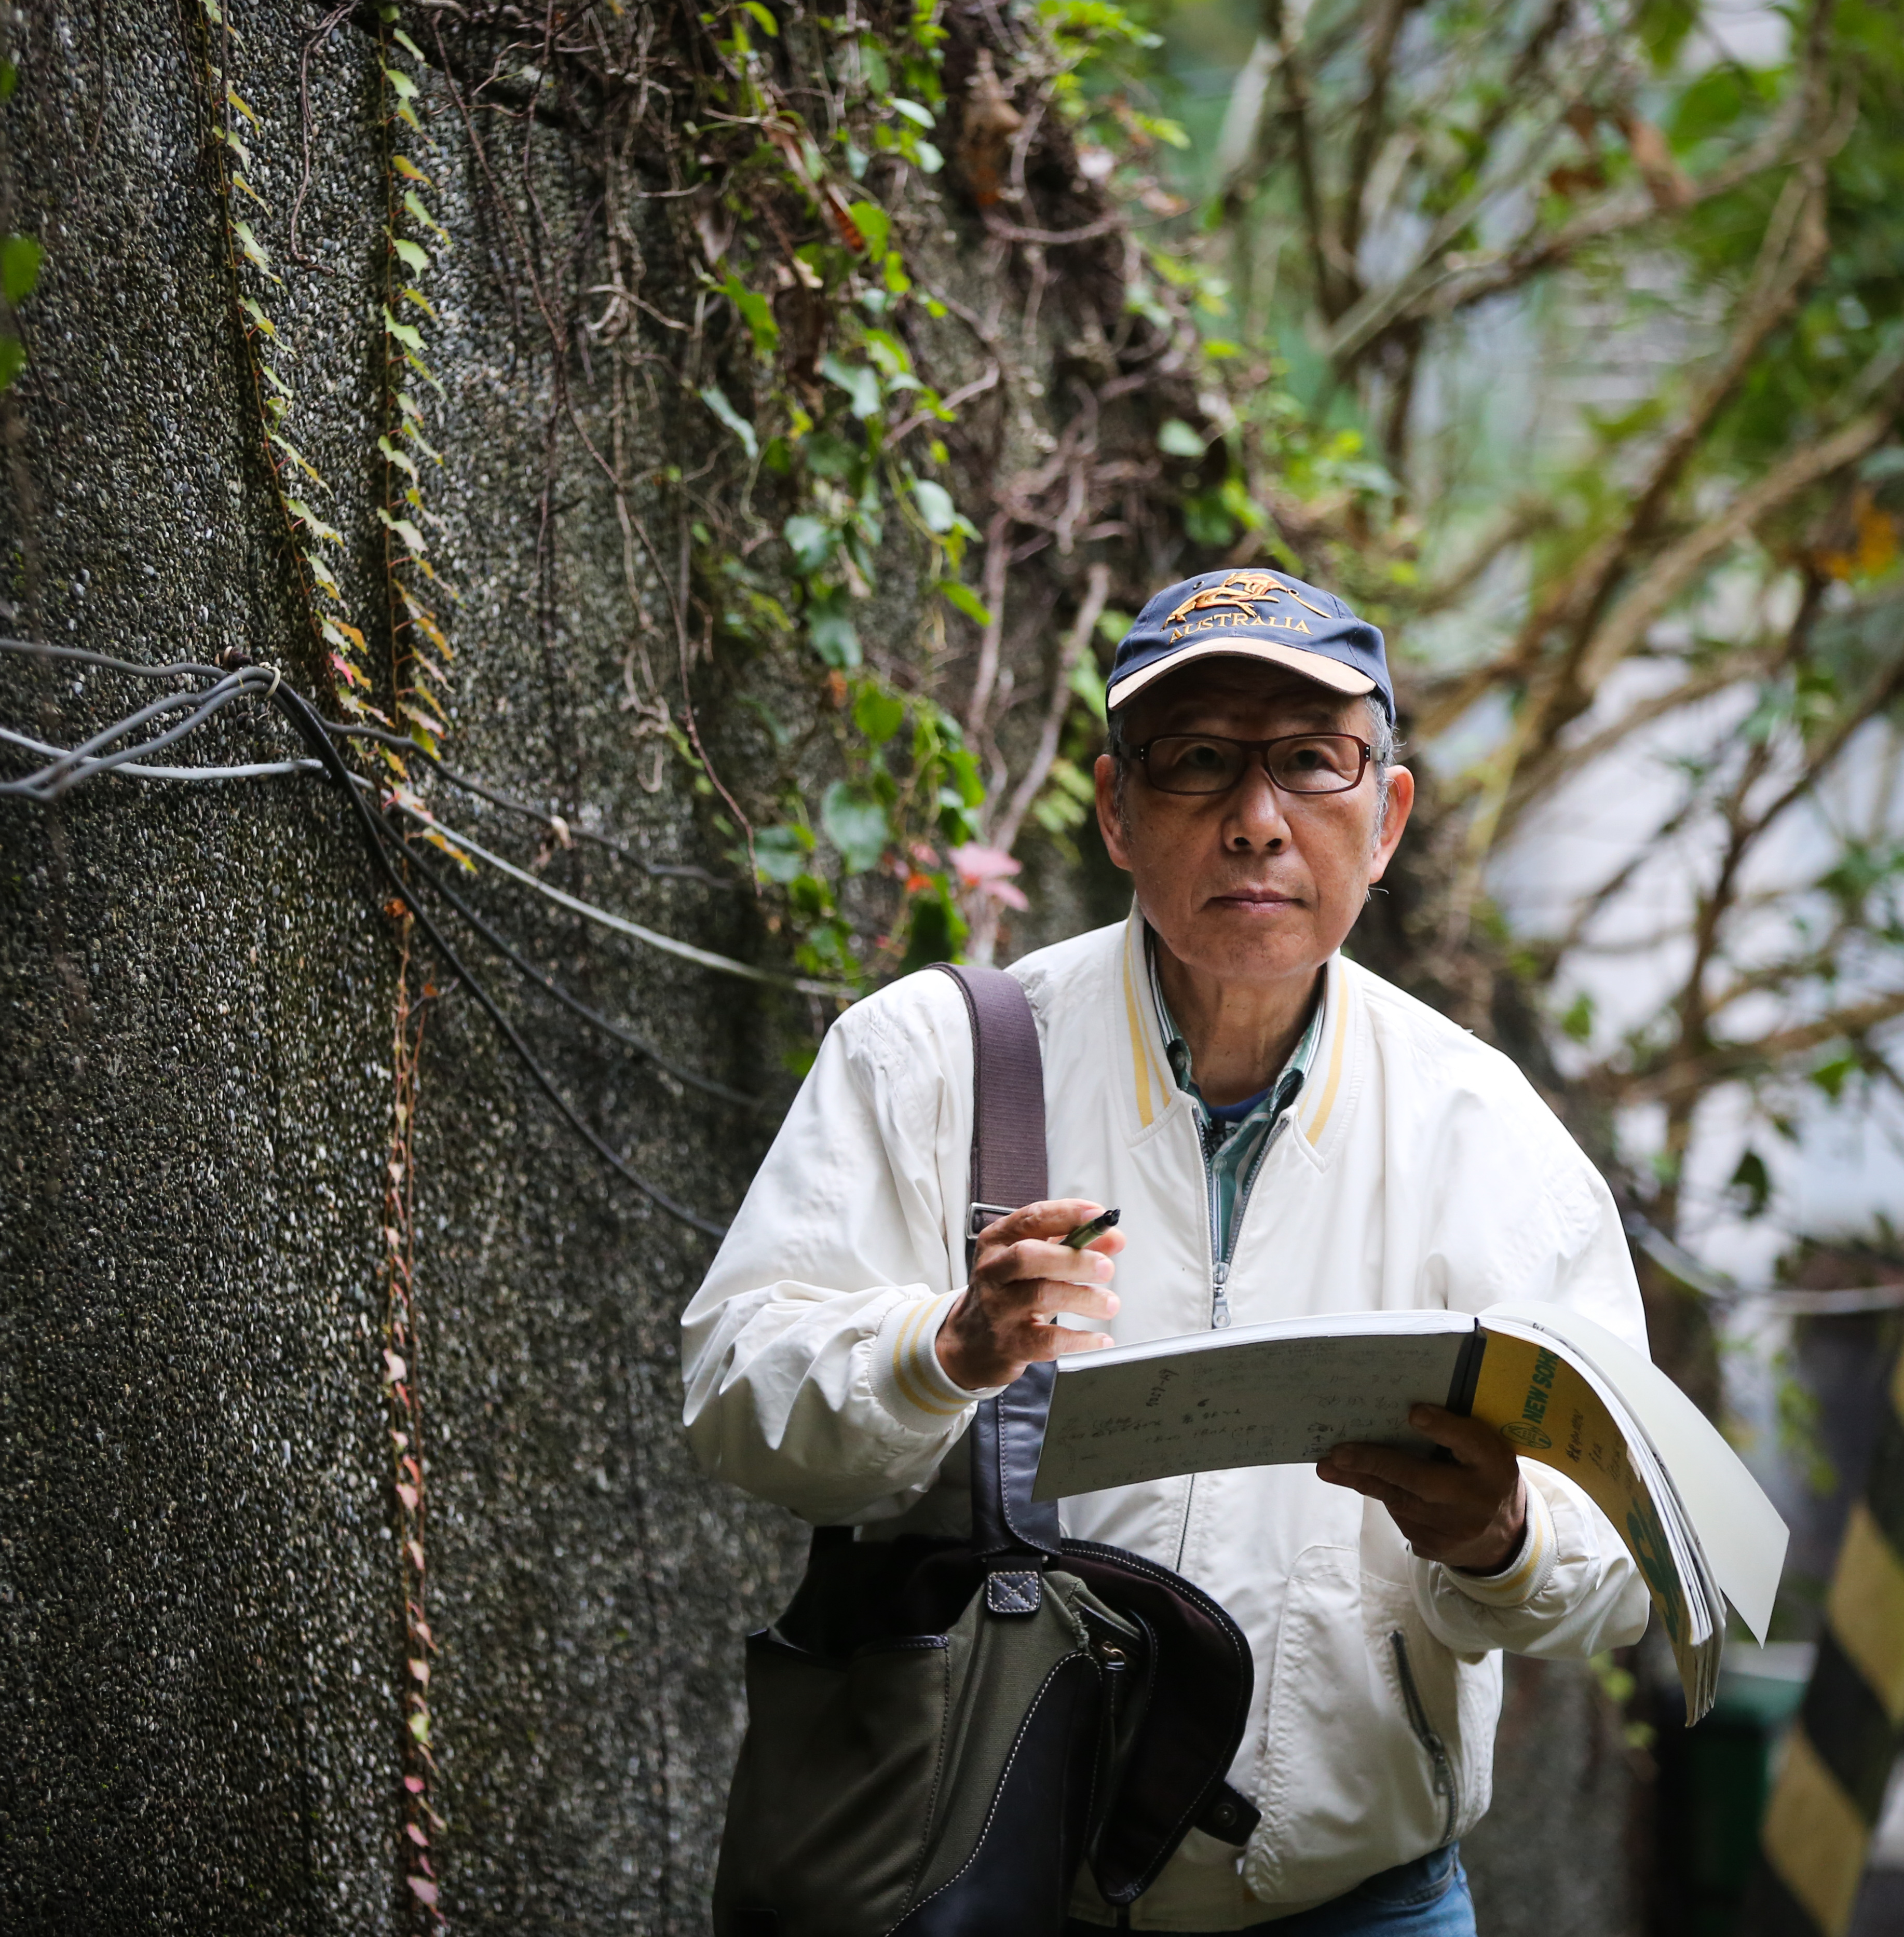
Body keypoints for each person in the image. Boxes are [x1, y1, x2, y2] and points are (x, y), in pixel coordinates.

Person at [681, 568, 1653, 1934]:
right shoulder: (935, 1060)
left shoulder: (1484, 1133)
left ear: (1387, 817)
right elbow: (738, 1396)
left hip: (1364, 1903)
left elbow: (1624, 1552)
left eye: (1311, 762)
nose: (1256, 819)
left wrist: (1504, 1539)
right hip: (1002, 1890)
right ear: (1117, 811)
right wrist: (941, 1349)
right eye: (1197, 759)